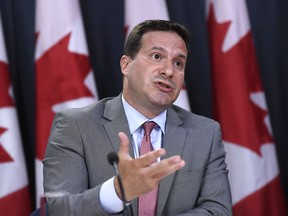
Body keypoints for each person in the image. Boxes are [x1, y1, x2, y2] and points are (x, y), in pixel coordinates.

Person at [43, 19, 232, 216]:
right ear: (126, 65)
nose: (169, 71)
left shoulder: (205, 133)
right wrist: (118, 191)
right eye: (157, 56)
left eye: (178, 63)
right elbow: (61, 210)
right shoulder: (76, 126)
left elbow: (218, 210)